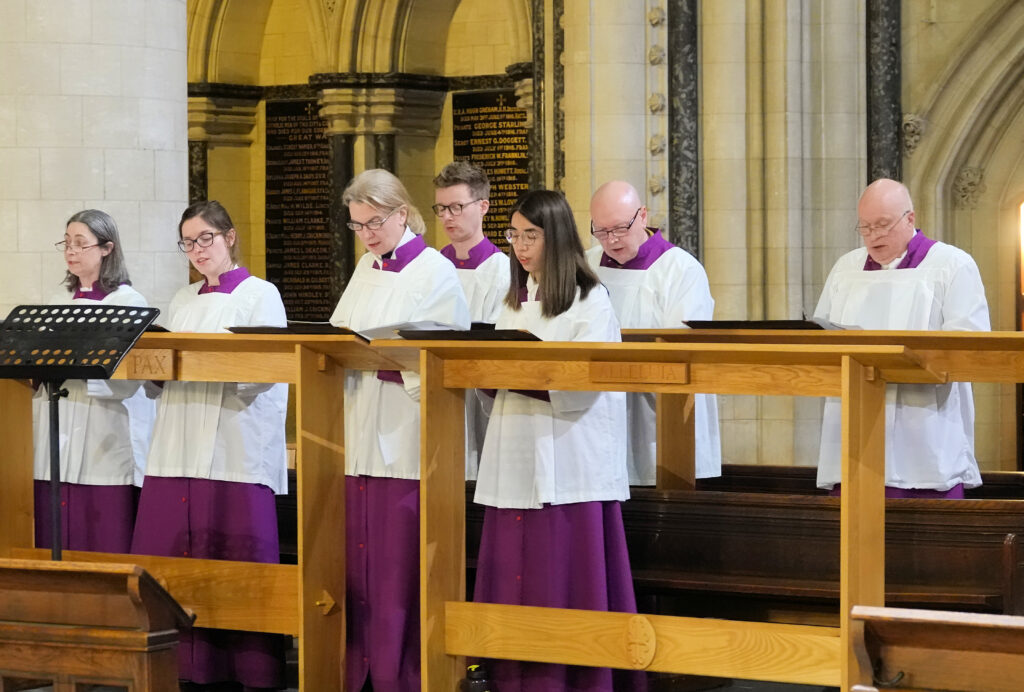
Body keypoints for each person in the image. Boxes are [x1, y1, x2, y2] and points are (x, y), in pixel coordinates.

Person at [474, 189, 644, 691]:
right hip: (515, 452)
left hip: (570, 462)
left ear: (558, 237)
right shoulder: (513, 298)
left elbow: (584, 383)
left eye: (531, 235)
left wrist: (512, 373)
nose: (520, 247)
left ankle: (575, 678)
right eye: (514, 235)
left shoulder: (590, 299)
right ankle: (509, 674)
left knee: (567, 578)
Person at [131, 200, 288, 690]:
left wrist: (207, 364)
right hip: (178, 442)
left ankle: (250, 669)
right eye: (188, 242)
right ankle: (182, 666)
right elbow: (162, 371)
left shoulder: (261, 295)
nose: (197, 250)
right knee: (172, 560)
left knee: (234, 562)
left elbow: (264, 372)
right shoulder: (181, 300)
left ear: (229, 237)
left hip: (233, 443)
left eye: (205, 239)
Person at [330, 168, 470, 692]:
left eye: (374, 223)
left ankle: (402, 676)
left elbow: (446, 358)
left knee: (396, 572)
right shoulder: (367, 266)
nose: (366, 235)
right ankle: (361, 671)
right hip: (359, 432)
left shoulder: (434, 272)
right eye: (358, 225)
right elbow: (340, 335)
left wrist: (387, 360)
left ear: (402, 214)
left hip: (405, 441)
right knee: (358, 568)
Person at [815, 178, 991, 497]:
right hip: (856, 426)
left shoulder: (952, 265)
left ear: (910, 218)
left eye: (883, 224)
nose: (874, 236)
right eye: (865, 227)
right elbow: (821, 339)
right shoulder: (846, 269)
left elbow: (970, 349)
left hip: (925, 431)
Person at [33, 209, 152, 553]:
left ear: (106, 248)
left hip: (104, 433)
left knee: (100, 536)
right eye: (67, 243)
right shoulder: (57, 301)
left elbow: (129, 381)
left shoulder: (128, 302)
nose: (71, 250)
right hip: (55, 430)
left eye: (80, 243)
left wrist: (78, 366)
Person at [587, 180, 721, 484]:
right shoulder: (585, 265)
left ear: (643, 216)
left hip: (658, 418)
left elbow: (682, 350)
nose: (611, 240)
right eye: (601, 231)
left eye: (620, 228)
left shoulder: (680, 270)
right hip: (599, 414)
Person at [432, 161, 511, 479]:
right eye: (441, 208)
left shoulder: (500, 270)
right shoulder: (432, 267)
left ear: (483, 207)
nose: (447, 217)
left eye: (456, 207)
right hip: (435, 394)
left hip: (478, 400)